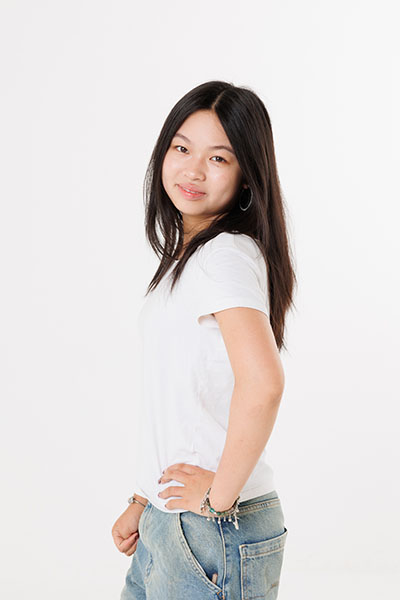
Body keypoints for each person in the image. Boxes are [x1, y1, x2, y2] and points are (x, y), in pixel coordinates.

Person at [112, 80, 297, 600]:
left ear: (246, 175)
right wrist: (145, 499)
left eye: (218, 158)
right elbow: (184, 399)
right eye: (182, 148)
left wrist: (216, 499)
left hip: (212, 528)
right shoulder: (192, 259)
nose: (193, 170)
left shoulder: (224, 257)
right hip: (175, 523)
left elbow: (263, 384)